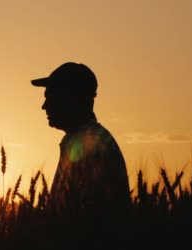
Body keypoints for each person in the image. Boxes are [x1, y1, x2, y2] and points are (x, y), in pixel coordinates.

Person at [31, 62, 130, 216]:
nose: (44, 106)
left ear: (71, 97)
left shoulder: (90, 145)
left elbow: (85, 221)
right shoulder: (87, 139)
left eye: (51, 96)